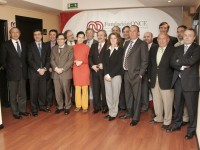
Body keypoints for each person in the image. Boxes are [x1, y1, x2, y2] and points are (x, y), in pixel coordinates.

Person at [167, 28, 200, 140]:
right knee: (178, 106)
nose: (186, 37)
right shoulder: (178, 48)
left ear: (194, 37)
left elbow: (192, 61)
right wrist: (181, 64)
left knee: (191, 108)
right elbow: (172, 62)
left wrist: (178, 61)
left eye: (189, 35)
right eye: (185, 35)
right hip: (178, 81)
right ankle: (176, 124)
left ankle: (191, 130)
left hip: (191, 82)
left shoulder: (197, 48)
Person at [119, 25, 149, 126]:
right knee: (128, 95)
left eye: (134, 31)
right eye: (130, 31)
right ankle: (129, 113)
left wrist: (140, 74)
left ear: (138, 33)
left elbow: (145, 61)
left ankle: (136, 117)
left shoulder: (142, 44)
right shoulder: (127, 43)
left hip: (136, 75)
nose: (131, 33)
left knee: (137, 97)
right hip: (126, 73)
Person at [1, 27, 30, 119]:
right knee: (13, 95)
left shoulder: (24, 44)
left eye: (17, 32)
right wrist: (9, 69)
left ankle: (22, 110)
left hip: (23, 73)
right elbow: (2, 60)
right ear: (10, 34)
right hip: (12, 74)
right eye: (13, 32)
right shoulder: (5, 45)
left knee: (23, 94)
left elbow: (26, 58)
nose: (15, 34)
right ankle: (15, 112)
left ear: (20, 34)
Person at [148, 33, 174, 130]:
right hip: (154, 79)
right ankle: (158, 117)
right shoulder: (153, 49)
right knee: (157, 101)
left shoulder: (173, 50)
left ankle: (167, 121)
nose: (161, 40)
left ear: (168, 40)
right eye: (159, 39)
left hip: (167, 80)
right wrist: (150, 77)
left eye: (163, 39)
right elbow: (150, 64)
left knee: (167, 102)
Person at [28, 29, 50, 116]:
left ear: (41, 36)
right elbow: (29, 60)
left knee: (42, 91)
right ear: (33, 36)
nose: (37, 36)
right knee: (33, 92)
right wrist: (38, 69)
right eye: (35, 35)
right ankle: (34, 109)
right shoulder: (30, 46)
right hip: (34, 72)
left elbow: (48, 58)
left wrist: (44, 68)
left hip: (44, 72)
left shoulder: (46, 46)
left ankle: (42, 106)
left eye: (38, 34)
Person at [51, 33, 74, 115]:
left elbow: (70, 60)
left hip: (65, 73)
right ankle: (60, 107)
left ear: (65, 40)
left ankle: (67, 106)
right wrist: (56, 68)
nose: (59, 40)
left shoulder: (70, 48)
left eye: (61, 39)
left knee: (66, 91)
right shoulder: (53, 48)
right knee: (57, 91)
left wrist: (63, 69)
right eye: (58, 39)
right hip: (56, 73)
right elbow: (51, 60)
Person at [103, 32, 123, 121]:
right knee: (109, 95)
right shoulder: (107, 50)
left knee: (115, 95)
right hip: (107, 76)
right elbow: (105, 64)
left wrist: (110, 74)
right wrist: (106, 74)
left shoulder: (121, 50)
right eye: (111, 38)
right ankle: (110, 111)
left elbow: (119, 64)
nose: (113, 40)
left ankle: (114, 113)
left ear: (118, 39)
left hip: (116, 75)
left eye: (115, 38)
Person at [89, 30, 108, 114]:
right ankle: (96, 107)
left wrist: (104, 64)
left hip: (104, 72)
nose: (99, 37)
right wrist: (92, 65)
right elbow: (90, 57)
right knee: (95, 90)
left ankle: (105, 107)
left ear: (105, 37)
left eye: (101, 35)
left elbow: (110, 58)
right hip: (95, 72)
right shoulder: (94, 45)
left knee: (104, 90)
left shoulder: (108, 45)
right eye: (98, 35)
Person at [174, 25, 189, 126]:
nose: (180, 33)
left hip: (188, 77)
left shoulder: (192, 46)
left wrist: (179, 61)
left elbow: (189, 62)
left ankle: (186, 118)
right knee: (178, 100)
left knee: (187, 100)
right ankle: (178, 119)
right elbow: (174, 61)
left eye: (182, 31)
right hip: (177, 76)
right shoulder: (175, 45)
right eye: (178, 32)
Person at [73, 31, 90, 112]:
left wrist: (82, 61)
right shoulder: (72, 47)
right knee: (77, 88)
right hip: (76, 69)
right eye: (79, 37)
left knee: (85, 88)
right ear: (77, 37)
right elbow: (70, 59)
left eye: (83, 37)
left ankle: (85, 106)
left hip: (85, 69)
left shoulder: (87, 47)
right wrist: (75, 61)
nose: (81, 39)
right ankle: (78, 105)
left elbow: (89, 59)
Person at [141, 32, 156, 112]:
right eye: (145, 36)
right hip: (144, 73)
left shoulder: (156, 47)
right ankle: (145, 107)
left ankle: (156, 109)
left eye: (148, 36)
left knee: (154, 93)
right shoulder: (141, 46)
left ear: (152, 38)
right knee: (144, 91)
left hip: (153, 73)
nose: (146, 38)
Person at [45, 29, 58, 108]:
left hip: (58, 69)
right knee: (48, 87)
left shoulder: (60, 43)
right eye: (51, 34)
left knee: (57, 87)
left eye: (54, 34)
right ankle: (49, 103)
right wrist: (49, 67)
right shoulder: (45, 44)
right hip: (49, 70)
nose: (52, 36)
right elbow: (45, 57)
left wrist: (55, 67)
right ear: (49, 36)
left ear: (56, 36)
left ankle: (58, 102)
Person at [64, 30, 76, 105]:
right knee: (67, 86)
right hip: (67, 69)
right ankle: (67, 102)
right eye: (69, 35)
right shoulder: (63, 45)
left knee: (75, 85)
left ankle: (75, 101)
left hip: (76, 68)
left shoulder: (78, 42)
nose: (72, 36)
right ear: (66, 38)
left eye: (72, 34)